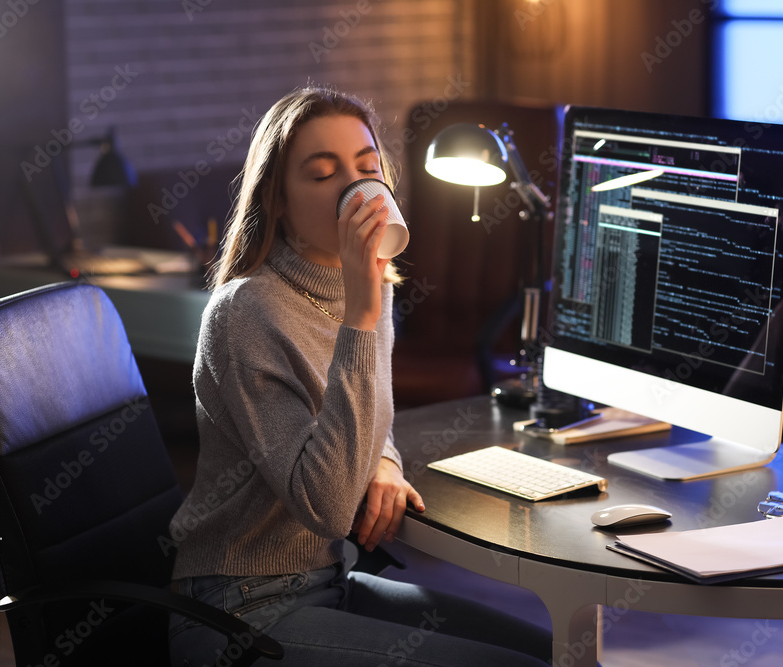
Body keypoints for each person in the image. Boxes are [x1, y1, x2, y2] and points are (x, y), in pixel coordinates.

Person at [167, 86, 553, 666]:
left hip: (331, 580)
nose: (355, 188)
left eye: (367, 169)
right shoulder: (245, 314)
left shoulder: (369, 287)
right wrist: (362, 317)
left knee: (555, 653)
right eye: (323, 175)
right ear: (277, 200)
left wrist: (386, 463)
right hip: (238, 608)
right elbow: (325, 505)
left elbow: (370, 412)